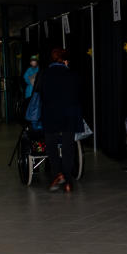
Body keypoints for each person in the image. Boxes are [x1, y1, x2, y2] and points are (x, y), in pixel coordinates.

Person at [39, 48, 82, 193]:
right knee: (68, 148)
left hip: (51, 115)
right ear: (65, 60)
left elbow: (41, 94)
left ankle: (57, 175)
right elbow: (78, 95)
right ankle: (68, 181)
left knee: (51, 147)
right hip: (69, 115)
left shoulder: (44, 74)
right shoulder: (72, 74)